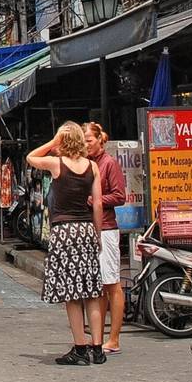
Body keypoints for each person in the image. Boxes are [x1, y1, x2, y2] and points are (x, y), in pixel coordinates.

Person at [27, 123, 106, 366]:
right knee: (92, 292)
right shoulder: (92, 166)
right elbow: (98, 204)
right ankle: (98, 348)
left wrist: (53, 142)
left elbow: (31, 157)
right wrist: (98, 234)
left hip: (64, 232)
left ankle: (80, 349)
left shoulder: (56, 164)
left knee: (72, 295)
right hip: (86, 229)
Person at [85, 123, 130, 355]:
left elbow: (120, 195)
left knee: (112, 284)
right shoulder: (89, 164)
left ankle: (114, 339)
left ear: (99, 140)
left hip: (107, 229)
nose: (86, 145)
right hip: (92, 228)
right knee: (99, 286)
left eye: (89, 140)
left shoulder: (108, 163)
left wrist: (97, 199)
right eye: (83, 141)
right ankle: (99, 337)